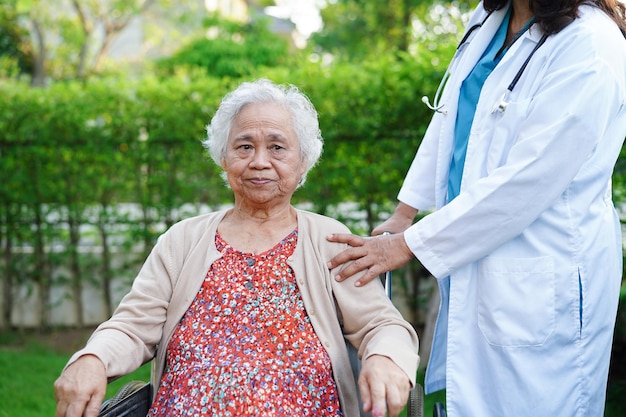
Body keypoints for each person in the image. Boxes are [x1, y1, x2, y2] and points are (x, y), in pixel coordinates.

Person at [327, 0, 626, 416]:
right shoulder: (489, 19)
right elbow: (449, 119)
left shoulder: (591, 44)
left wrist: (410, 244)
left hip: (545, 263)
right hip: (479, 251)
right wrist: (404, 212)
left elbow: (528, 181)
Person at [54, 79, 419, 417]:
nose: (259, 161)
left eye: (277, 147)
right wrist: (93, 358)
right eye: (245, 146)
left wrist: (386, 357)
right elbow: (132, 327)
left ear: (303, 160)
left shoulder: (328, 240)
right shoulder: (183, 240)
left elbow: (381, 324)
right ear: (224, 158)